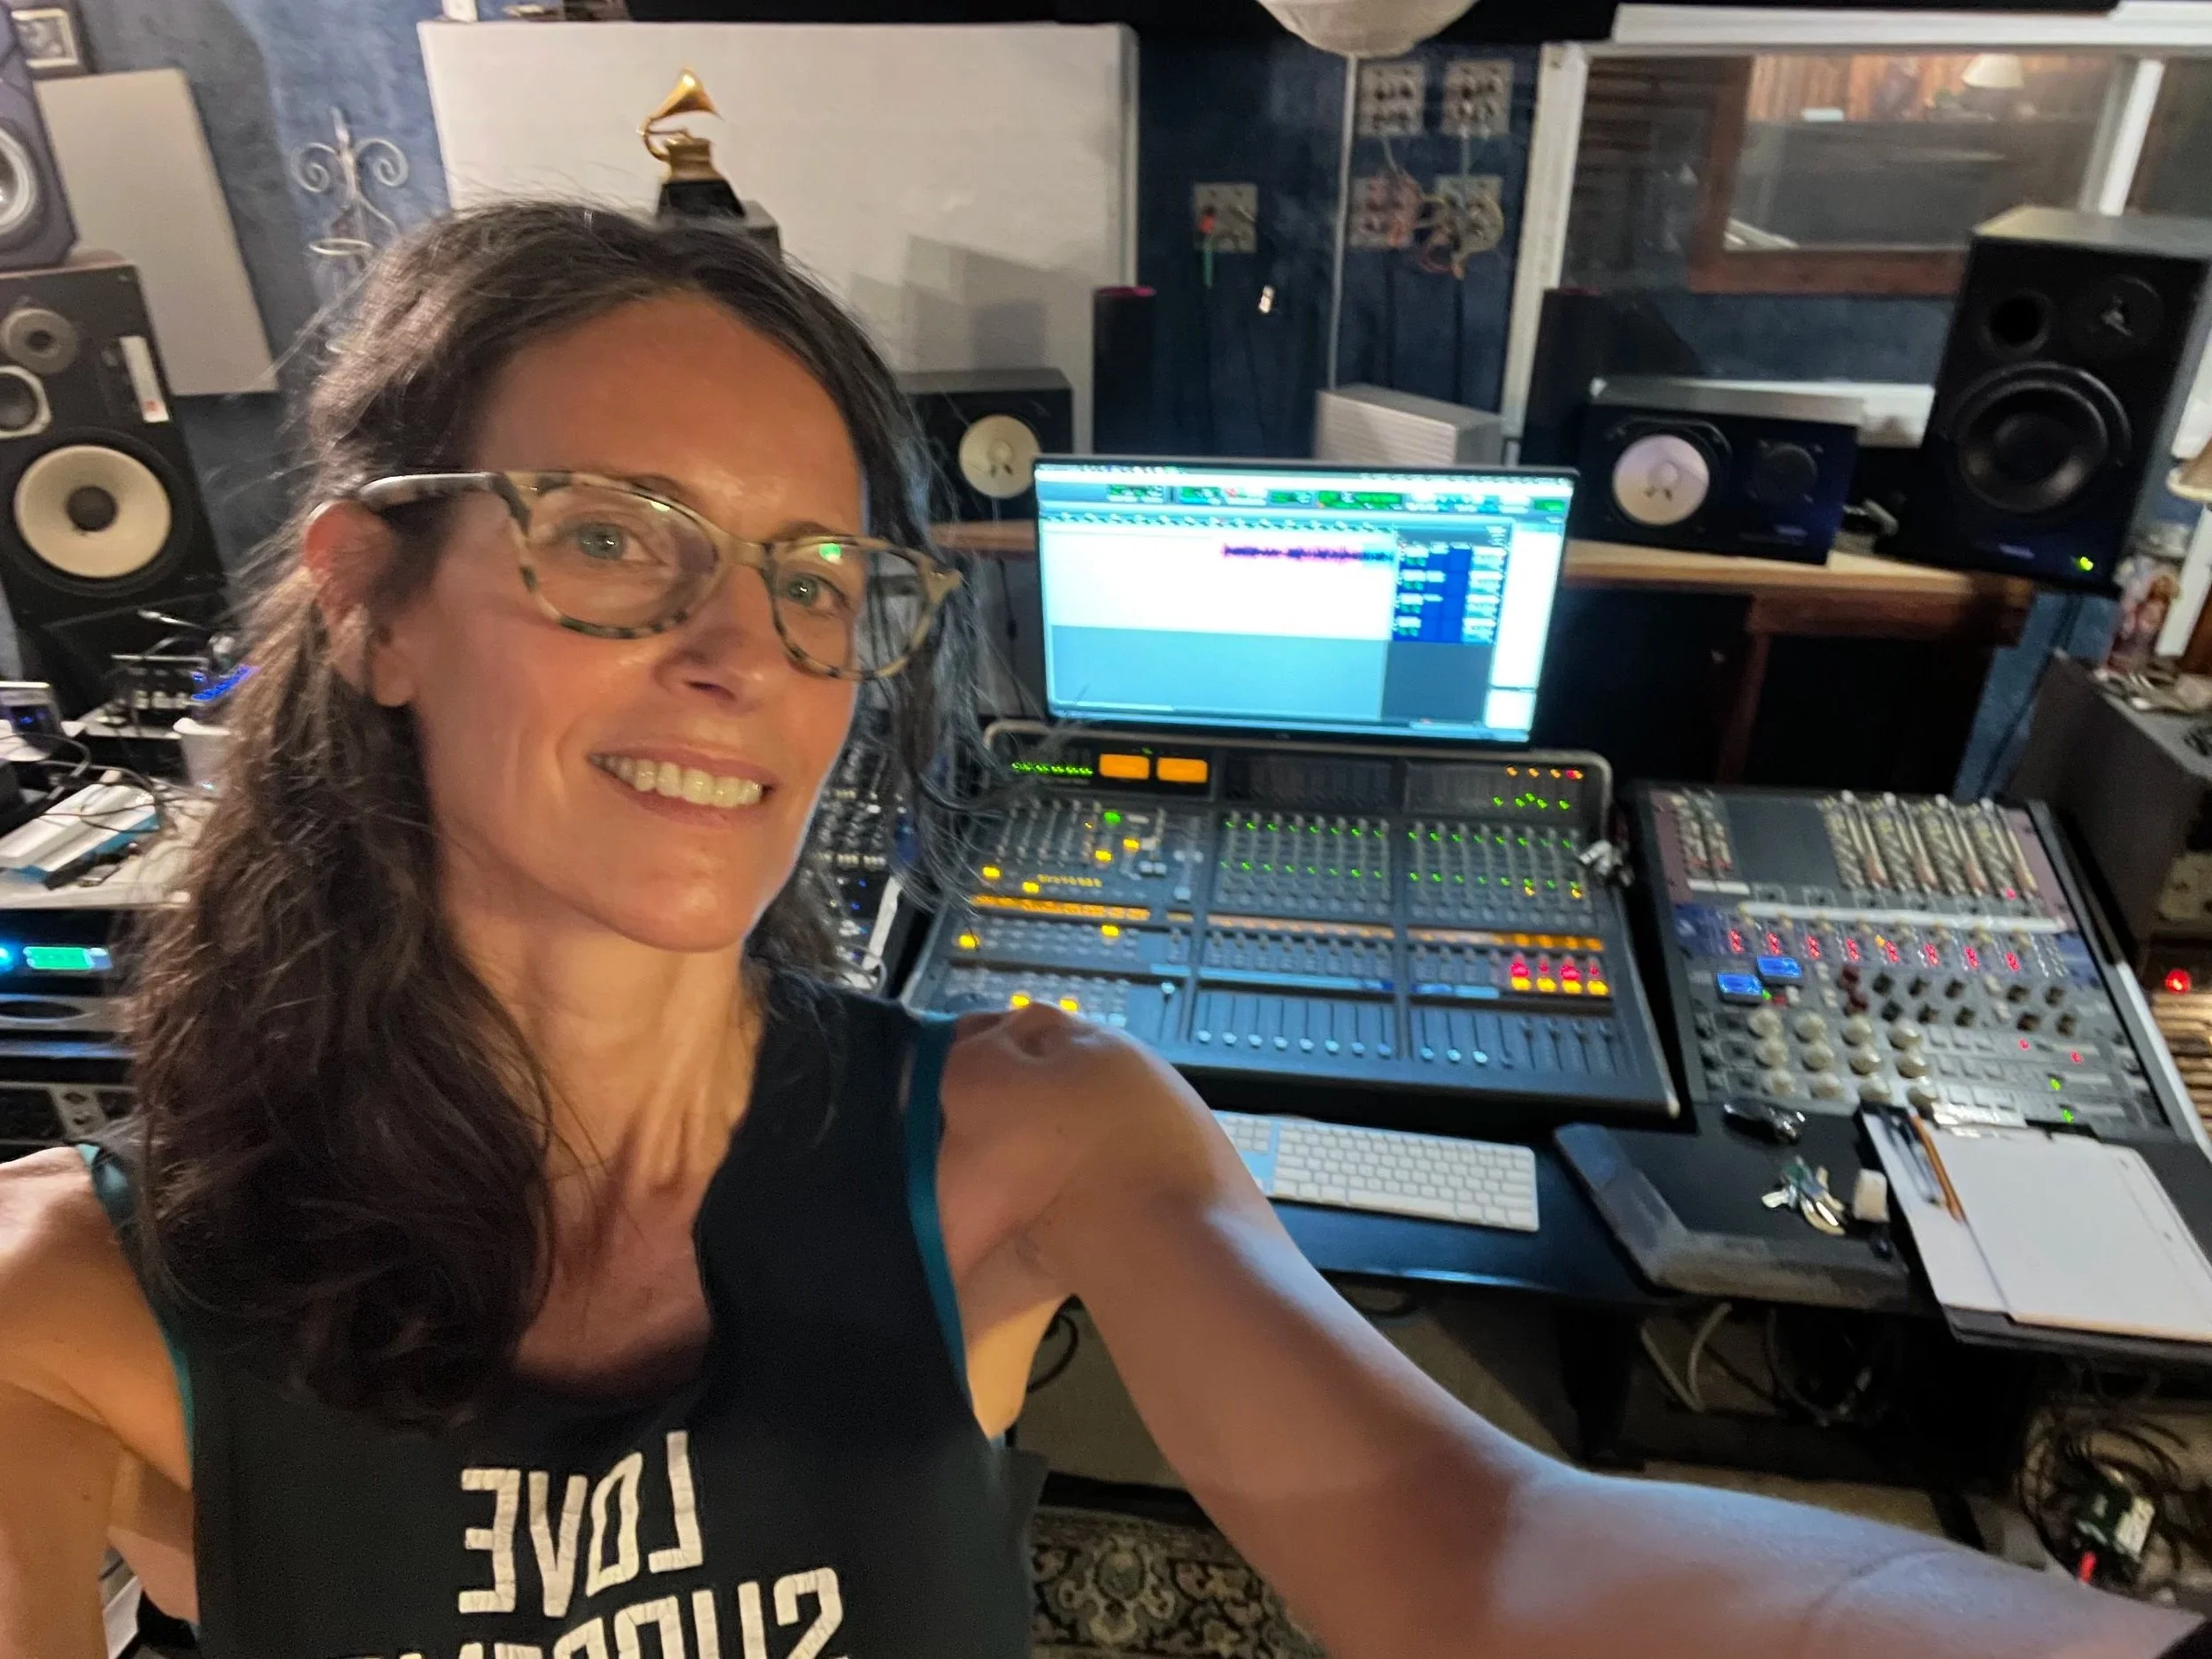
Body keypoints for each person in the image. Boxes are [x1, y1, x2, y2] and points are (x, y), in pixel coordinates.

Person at [0, 201, 2199, 1659]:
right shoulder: (66, 1310)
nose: (739, 653)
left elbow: (1488, 1542)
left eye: (816, 575)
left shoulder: (1045, 1130)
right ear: (373, 603)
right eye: (609, 535)